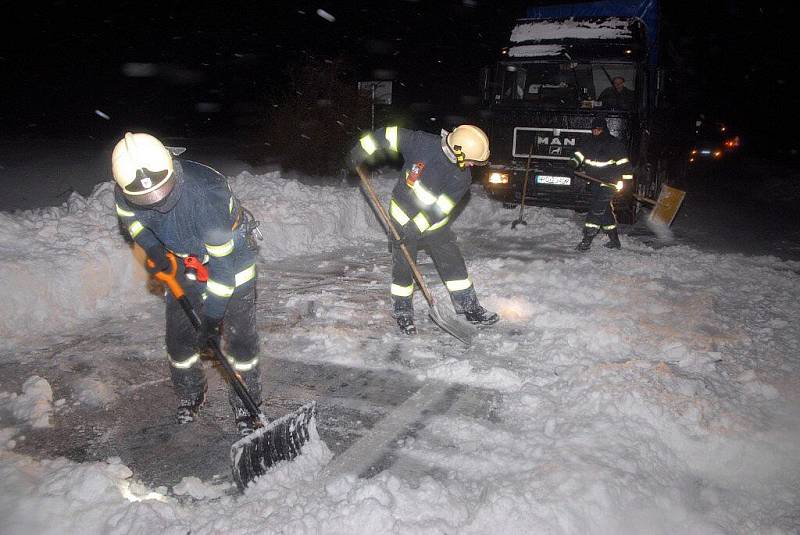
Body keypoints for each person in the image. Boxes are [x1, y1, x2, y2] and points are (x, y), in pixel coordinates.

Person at [112, 132, 262, 435]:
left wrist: (211, 319)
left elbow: (223, 269)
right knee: (179, 341)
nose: (156, 203)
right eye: (144, 198)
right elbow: (133, 220)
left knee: (241, 343)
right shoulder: (125, 191)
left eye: (162, 190)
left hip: (232, 259)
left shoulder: (207, 196)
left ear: (172, 169)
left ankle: (248, 409)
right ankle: (191, 393)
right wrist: (153, 247)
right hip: (183, 260)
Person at [351, 125, 499, 335]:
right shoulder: (421, 143)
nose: (473, 165)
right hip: (402, 217)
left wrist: (417, 227)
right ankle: (403, 311)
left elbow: (440, 209)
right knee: (403, 266)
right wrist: (361, 149)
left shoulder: (461, 177)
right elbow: (389, 134)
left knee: (453, 263)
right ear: (457, 150)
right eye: (472, 159)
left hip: (435, 225)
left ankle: (469, 307)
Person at [569, 117, 633, 251]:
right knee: (605, 212)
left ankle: (586, 241)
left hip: (610, 182)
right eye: (593, 130)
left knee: (596, 210)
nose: (595, 132)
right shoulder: (588, 142)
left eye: (598, 130)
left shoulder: (614, 144)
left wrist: (627, 183)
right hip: (595, 181)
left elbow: (625, 165)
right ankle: (615, 242)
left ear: (604, 130)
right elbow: (579, 155)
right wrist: (572, 164)